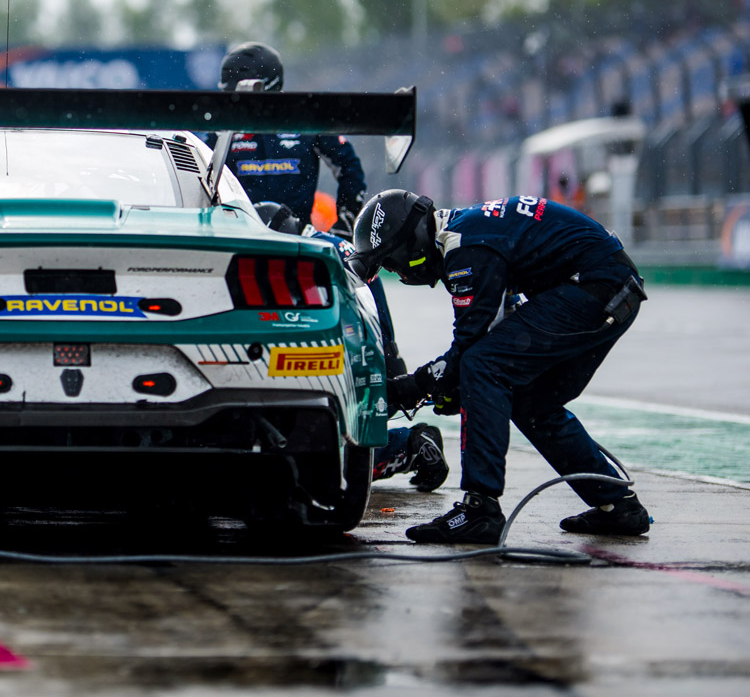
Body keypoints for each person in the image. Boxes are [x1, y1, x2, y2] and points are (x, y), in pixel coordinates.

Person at [346, 189, 651, 544]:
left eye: (392, 262)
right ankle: (619, 506)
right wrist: (447, 387)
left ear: (409, 243)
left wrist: (407, 388)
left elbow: (470, 351)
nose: (398, 272)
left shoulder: (465, 248)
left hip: (597, 287)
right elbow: (494, 334)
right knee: (531, 402)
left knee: (482, 366)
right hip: (607, 286)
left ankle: (480, 509)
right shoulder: (466, 235)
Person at [253, 201, 449, 493]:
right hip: (376, 358)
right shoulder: (331, 244)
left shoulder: (305, 255)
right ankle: (407, 442)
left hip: (353, 364)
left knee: (314, 468)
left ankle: (409, 446)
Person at [213, 41, 366, 239]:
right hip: (239, 237)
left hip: (297, 240)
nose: (235, 104)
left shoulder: (305, 120)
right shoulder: (222, 130)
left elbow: (349, 166)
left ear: (268, 87)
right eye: (230, 96)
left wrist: (345, 222)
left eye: (240, 96)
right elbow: (202, 178)